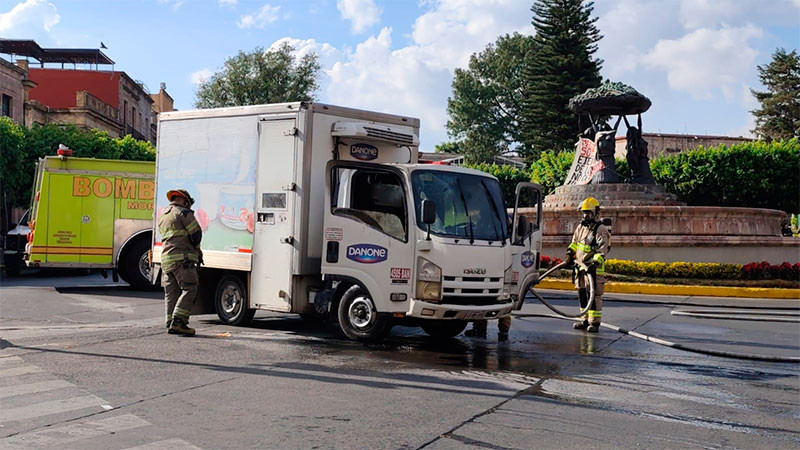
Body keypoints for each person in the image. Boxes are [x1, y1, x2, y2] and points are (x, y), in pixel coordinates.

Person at [159, 189, 203, 336]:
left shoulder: (164, 215)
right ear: (184, 201)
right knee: (190, 288)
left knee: (171, 292)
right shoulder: (184, 213)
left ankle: (170, 321)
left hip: (166, 260)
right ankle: (179, 322)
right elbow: (196, 234)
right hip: (182, 259)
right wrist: (197, 249)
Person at [565, 197, 610, 333]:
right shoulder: (581, 228)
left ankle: (594, 323)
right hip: (581, 269)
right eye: (584, 212)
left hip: (593, 270)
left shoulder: (600, 229)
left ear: (596, 213)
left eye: (588, 213)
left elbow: (602, 249)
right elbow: (574, 243)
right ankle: (584, 319)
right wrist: (569, 253)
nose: (586, 215)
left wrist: (595, 263)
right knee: (582, 294)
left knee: (594, 296)